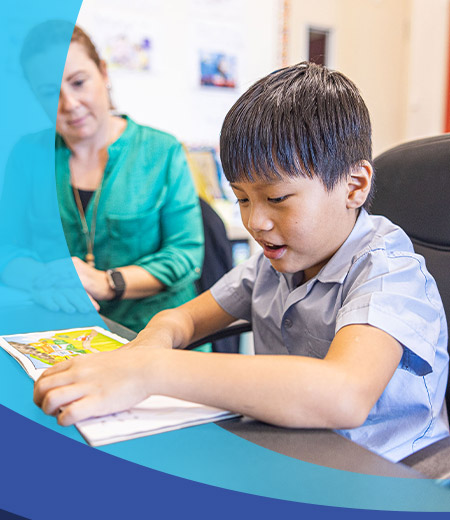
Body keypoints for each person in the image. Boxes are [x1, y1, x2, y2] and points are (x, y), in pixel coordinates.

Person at [34, 62, 449, 462]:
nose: (255, 221)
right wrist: (143, 350)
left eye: (276, 198)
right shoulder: (273, 264)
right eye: (242, 198)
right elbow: (184, 320)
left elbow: (345, 394)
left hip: (386, 473)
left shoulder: (389, 271)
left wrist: (155, 370)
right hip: (289, 451)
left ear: (354, 186)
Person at [2, 21, 204, 331]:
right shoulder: (27, 155)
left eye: (78, 82)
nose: (69, 104)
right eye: (49, 93)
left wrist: (107, 283)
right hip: (63, 330)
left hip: (154, 333)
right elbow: (8, 248)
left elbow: (185, 254)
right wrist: (42, 278)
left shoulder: (162, 151)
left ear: (104, 73)